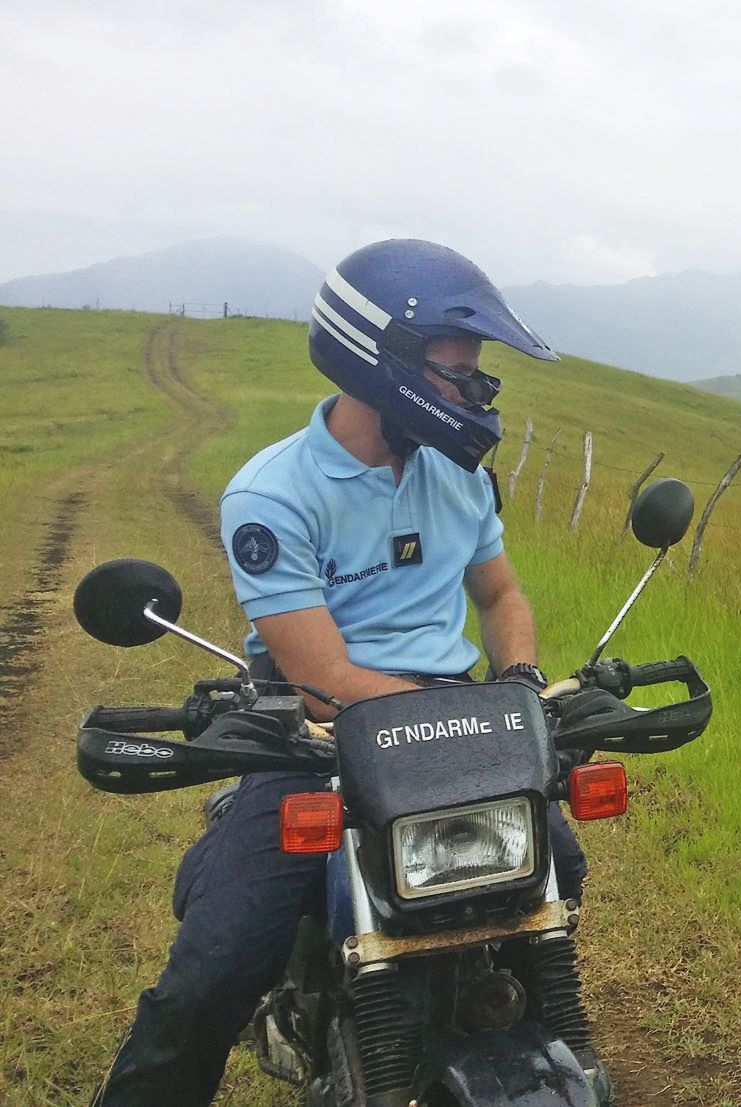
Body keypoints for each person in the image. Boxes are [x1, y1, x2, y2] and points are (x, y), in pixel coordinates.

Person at [94, 239, 580, 1106]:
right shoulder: (273, 493)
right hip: (312, 738)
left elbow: (501, 593)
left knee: (558, 872)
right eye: (457, 374)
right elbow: (322, 678)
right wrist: (478, 722)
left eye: (479, 378)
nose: (476, 395)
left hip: (458, 722)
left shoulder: (457, 475)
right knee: (217, 964)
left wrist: (522, 686)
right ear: (379, 365)